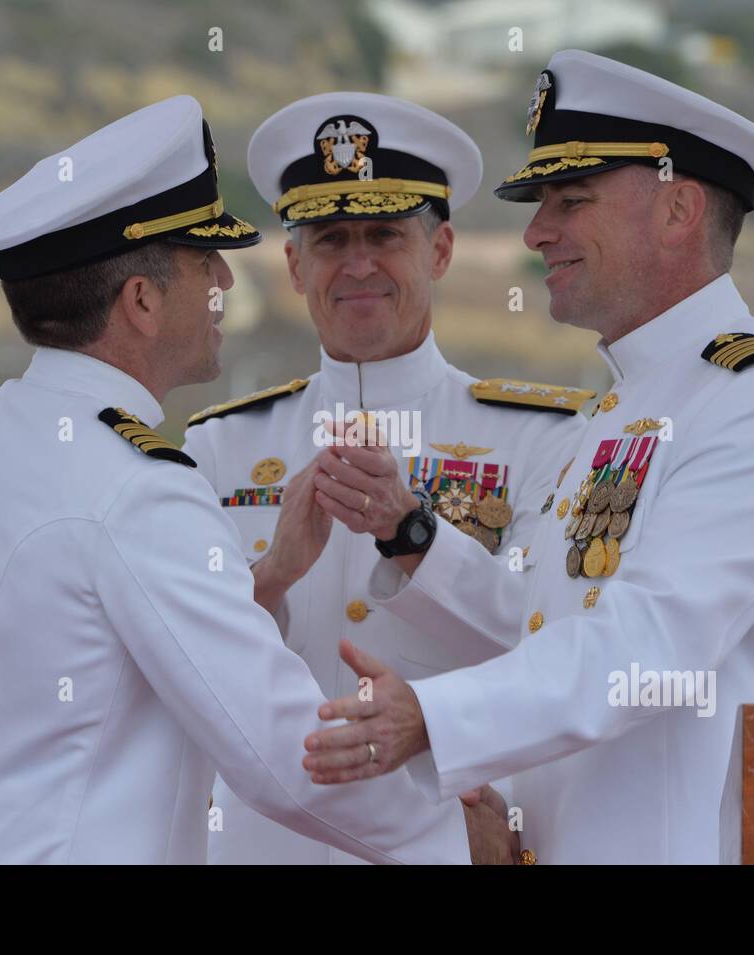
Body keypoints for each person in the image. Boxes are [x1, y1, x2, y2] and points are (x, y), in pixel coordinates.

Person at [0, 95, 502, 864]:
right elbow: (282, 753)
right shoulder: (137, 484)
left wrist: (272, 574)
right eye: (202, 260)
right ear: (142, 301)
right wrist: (456, 840)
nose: (222, 277)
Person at [300, 50, 754, 865]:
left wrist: (433, 716)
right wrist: (413, 535)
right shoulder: (615, 409)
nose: (537, 233)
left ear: (678, 209)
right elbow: (545, 627)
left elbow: (649, 646)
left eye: (571, 201)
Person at [183, 91, 588, 865]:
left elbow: (558, 648)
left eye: (384, 234)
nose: (359, 263)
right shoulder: (221, 443)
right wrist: (270, 574)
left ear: (439, 252)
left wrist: (417, 536)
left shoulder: (542, 438)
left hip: (457, 839)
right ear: (295, 265)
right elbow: (188, 659)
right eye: (331, 238)